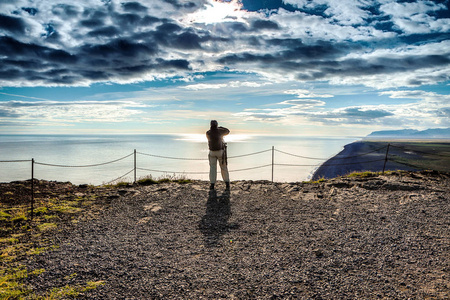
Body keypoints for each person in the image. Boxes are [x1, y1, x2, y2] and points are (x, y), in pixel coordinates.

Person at [206, 120, 230, 190]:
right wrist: (221, 127)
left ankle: (212, 184)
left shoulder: (208, 132)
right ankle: (227, 183)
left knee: (212, 168)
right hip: (220, 152)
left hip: (212, 152)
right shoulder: (220, 131)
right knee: (223, 167)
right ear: (216, 125)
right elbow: (227, 131)